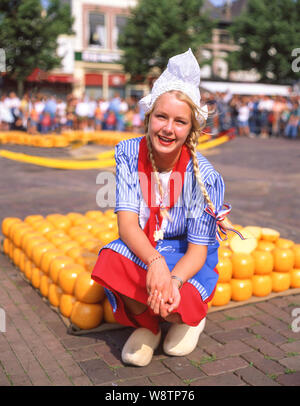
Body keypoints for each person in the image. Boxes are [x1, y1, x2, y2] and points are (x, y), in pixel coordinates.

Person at [91, 49, 239, 367]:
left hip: (187, 257)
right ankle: (149, 327)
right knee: (108, 261)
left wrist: (172, 281)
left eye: (179, 121)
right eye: (161, 117)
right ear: (148, 118)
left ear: (191, 129)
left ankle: (187, 319)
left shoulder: (205, 176)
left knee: (178, 297)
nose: (168, 129)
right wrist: (155, 262)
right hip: (149, 248)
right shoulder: (130, 154)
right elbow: (127, 225)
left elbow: (198, 251)